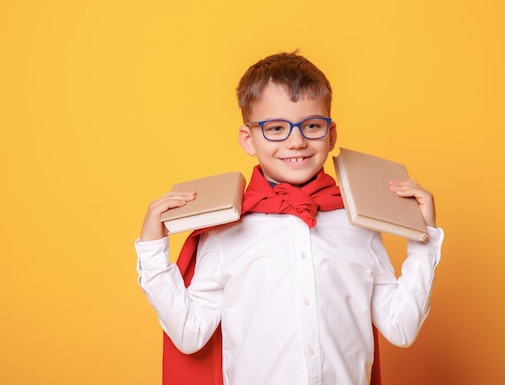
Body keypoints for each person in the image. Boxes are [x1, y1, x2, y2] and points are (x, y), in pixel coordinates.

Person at [135, 51, 444, 385]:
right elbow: (189, 333)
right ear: (247, 139)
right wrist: (152, 250)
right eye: (276, 128)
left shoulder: (359, 223)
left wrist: (422, 239)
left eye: (312, 126)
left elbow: (401, 327)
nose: (296, 142)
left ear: (332, 134)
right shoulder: (224, 232)